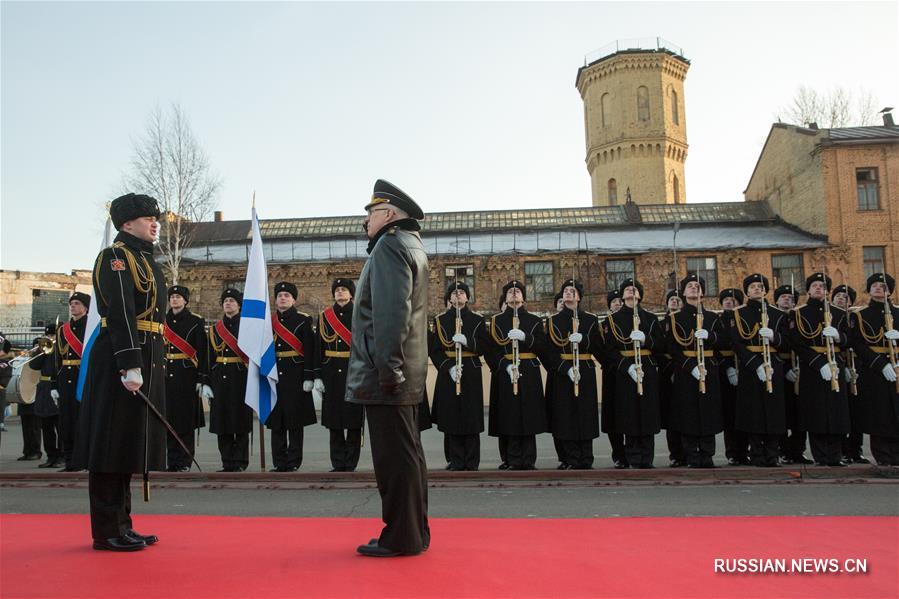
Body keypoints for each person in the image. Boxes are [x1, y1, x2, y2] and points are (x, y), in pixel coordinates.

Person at [73, 193, 167, 552]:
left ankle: (123, 525)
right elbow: (122, 312)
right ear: (127, 224)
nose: (154, 223)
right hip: (120, 357)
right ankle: (106, 530)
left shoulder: (146, 259)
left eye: (155, 218)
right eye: (147, 218)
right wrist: (130, 362)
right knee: (110, 444)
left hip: (145, 354)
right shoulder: (116, 257)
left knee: (128, 443)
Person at [346, 179, 430, 557]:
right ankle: (413, 531)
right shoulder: (411, 245)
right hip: (402, 372)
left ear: (389, 214)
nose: (366, 221)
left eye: (371, 213)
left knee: (394, 460)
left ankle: (401, 537)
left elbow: (391, 315)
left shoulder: (389, 248)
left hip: (387, 374)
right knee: (408, 456)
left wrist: (388, 370)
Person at [785, 273, 850, 466]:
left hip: (835, 364)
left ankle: (835, 455)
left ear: (828, 290)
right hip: (812, 368)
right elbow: (796, 342)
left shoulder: (839, 313)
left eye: (822, 286)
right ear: (808, 290)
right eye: (814, 285)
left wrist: (839, 336)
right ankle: (821, 455)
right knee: (816, 412)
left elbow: (850, 339)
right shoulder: (798, 313)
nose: (818, 288)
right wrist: (818, 363)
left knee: (837, 411)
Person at [597, 278, 663, 468]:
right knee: (629, 414)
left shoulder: (650, 318)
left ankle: (647, 456)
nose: (631, 291)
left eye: (634, 289)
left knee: (647, 412)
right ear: (622, 295)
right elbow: (609, 350)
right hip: (625, 371)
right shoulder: (612, 320)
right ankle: (633, 456)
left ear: (640, 295)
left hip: (647, 368)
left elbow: (661, 345)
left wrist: (646, 340)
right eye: (627, 289)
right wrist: (627, 366)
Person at [485, 280, 547, 470]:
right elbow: (491, 350)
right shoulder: (496, 321)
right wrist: (504, 365)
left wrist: (525, 337)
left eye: (518, 291)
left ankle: (528, 459)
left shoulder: (535, 321)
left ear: (523, 297)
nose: (514, 294)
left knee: (528, 414)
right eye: (510, 292)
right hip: (506, 371)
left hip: (528, 370)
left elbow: (543, 347)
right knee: (509, 415)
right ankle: (511, 459)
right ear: (505, 297)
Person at [663, 275, 723, 468]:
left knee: (708, 412)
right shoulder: (675, 319)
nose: (694, 288)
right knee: (687, 412)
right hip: (686, 370)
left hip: (708, 368)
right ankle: (691, 455)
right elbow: (672, 348)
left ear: (703, 292)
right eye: (690, 286)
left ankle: (707, 454)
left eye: (698, 286)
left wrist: (710, 336)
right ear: (683, 292)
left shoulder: (713, 317)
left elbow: (724, 342)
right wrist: (690, 367)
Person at [730, 274, 788, 467]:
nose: (757, 289)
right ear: (746, 291)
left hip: (773, 365)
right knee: (753, 412)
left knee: (773, 412)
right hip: (751, 367)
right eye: (752, 286)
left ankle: (773, 453)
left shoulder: (778, 314)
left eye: (760, 286)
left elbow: (788, 343)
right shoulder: (738, 314)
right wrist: (755, 365)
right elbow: (737, 343)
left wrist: (775, 337)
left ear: (766, 290)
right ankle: (756, 454)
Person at [429, 281, 486, 471]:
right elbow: (435, 350)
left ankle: (471, 460)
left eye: (462, 292)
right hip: (449, 371)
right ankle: (455, 459)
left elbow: (485, 346)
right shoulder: (439, 320)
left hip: (470, 370)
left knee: (470, 416)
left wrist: (468, 342)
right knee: (451, 416)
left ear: (467, 297)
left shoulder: (478, 320)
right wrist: (449, 368)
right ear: (449, 298)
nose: (458, 295)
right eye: (454, 293)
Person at [544, 279, 601, 469]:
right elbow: (550, 352)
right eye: (566, 290)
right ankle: (570, 458)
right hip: (563, 372)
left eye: (573, 291)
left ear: (579, 297)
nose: (568, 293)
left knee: (585, 415)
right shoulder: (553, 321)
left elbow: (600, 348)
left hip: (584, 369)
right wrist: (565, 369)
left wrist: (584, 340)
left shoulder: (591, 320)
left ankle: (586, 457)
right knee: (565, 416)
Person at [849, 273, 899, 466]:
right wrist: (881, 364)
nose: (879, 288)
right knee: (879, 413)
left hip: (897, 369)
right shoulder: (860, 315)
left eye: (883, 286)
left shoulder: (897, 313)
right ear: (869, 289)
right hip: (874, 371)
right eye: (875, 285)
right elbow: (858, 344)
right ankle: (883, 456)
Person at [267, 281, 317, 472]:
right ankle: (279, 461)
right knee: (277, 420)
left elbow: (309, 350)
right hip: (274, 375)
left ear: (294, 299)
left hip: (295, 375)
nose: (283, 298)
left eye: (287, 295)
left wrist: (309, 376)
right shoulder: (269, 321)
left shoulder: (303, 320)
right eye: (280, 295)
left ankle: (294, 460)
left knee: (295, 421)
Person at [317, 278, 364, 472]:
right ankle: (337, 462)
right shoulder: (325, 316)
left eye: (344, 289)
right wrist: (318, 375)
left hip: (354, 371)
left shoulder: (360, 314)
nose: (340, 292)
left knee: (353, 419)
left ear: (351, 294)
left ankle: (351, 462)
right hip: (331, 373)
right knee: (334, 420)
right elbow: (318, 347)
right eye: (337, 290)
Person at [163, 285, 208, 472]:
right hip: (166, 376)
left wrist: (201, 378)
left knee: (185, 421)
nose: (174, 300)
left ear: (185, 300)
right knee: (167, 420)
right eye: (172, 297)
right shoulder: (162, 321)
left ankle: (184, 461)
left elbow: (202, 351)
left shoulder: (195, 321)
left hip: (186, 376)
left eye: (178, 297)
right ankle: (171, 461)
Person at [207, 289, 252, 472]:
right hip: (220, 378)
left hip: (241, 377)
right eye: (225, 300)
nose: (228, 303)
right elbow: (208, 356)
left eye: (232, 300)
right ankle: (227, 461)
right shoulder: (214, 328)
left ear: (239, 305)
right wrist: (206, 382)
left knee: (240, 420)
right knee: (222, 421)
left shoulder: (248, 326)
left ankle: (240, 461)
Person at [53, 292, 91, 471]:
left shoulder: (91, 328)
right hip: (65, 380)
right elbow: (56, 359)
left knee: (81, 421)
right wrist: (54, 384)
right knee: (65, 422)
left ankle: (82, 461)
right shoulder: (62, 330)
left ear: (85, 307)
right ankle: (69, 461)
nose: (73, 306)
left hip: (82, 377)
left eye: (77, 303)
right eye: (71, 303)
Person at [773, 284, 810, 465]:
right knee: (781, 412)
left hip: (800, 367)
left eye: (791, 297)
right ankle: (783, 449)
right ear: (777, 300)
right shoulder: (773, 318)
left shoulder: (799, 318)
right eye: (783, 297)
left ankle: (798, 450)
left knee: (799, 413)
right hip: (780, 367)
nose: (787, 300)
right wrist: (785, 368)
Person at [832, 284, 869, 463]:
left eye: (845, 297)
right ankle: (839, 450)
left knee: (856, 411)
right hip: (837, 366)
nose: (841, 299)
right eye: (838, 296)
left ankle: (855, 450)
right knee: (838, 411)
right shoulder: (829, 317)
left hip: (855, 366)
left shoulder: (855, 317)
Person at [717, 288, 749, 465]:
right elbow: (715, 346)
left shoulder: (742, 318)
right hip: (725, 368)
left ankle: (745, 451)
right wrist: (728, 368)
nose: (730, 302)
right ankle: (732, 452)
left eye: (733, 299)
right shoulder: (718, 321)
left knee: (744, 413)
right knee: (729, 414)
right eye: (726, 299)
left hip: (744, 367)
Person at [599, 289, 627, 468]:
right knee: (613, 416)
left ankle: (631, 452)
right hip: (611, 373)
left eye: (620, 300)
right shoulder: (603, 325)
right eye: (614, 301)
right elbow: (600, 348)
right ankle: (618, 453)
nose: (617, 303)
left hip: (629, 372)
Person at [29, 325, 62, 469]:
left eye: (53, 336)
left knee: (60, 426)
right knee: (46, 426)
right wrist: (41, 351)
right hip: (44, 389)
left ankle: (62, 456)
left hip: (57, 388)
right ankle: (51, 456)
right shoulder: (44, 351)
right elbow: (33, 366)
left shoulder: (61, 349)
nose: (50, 338)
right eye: (48, 336)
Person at [659, 289, 685, 467]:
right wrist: (670, 369)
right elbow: (659, 350)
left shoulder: (686, 321)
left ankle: (688, 451)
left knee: (686, 414)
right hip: (667, 372)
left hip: (686, 369)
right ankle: (675, 453)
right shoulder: (661, 324)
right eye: (671, 299)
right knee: (671, 416)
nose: (674, 302)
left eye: (677, 299)